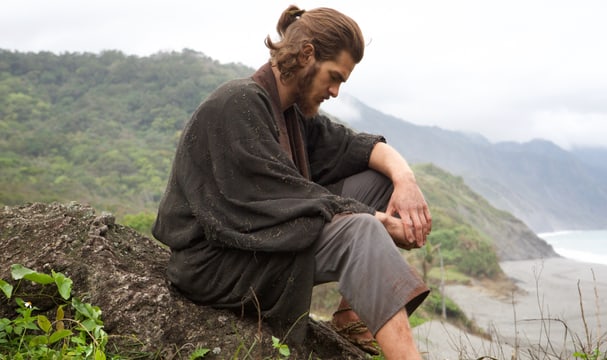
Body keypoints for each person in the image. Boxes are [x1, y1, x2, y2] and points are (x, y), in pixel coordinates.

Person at [152, 5, 431, 359]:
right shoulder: (237, 104)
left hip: (263, 243)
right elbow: (282, 198)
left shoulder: (294, 116)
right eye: (334, 77)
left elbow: (357, 147)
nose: (334, 91)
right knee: (362, 230)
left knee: (381, 183)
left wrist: (406, 181)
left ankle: (353, 319)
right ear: (307, 55)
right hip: (217, 263)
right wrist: (381, 223)